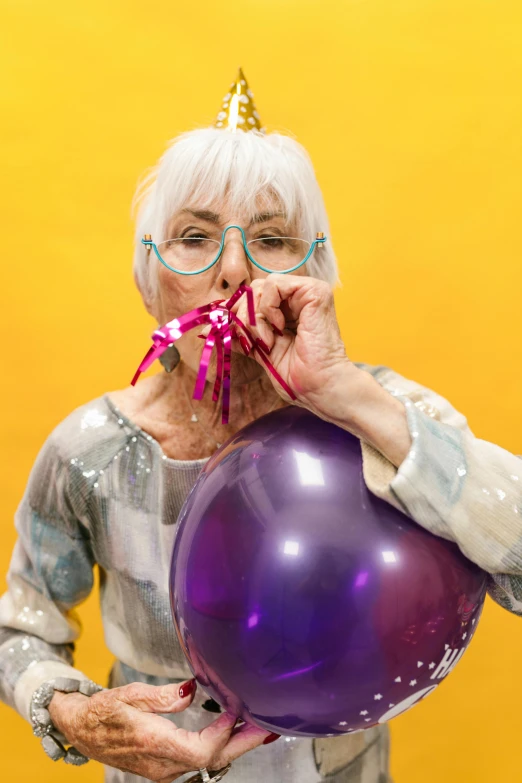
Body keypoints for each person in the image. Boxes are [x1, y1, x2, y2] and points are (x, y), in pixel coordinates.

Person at [1, 70, 521, 783]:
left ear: (317, 273)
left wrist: (348, 396)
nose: (235, 270)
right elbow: (19, 627)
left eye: (272, 239)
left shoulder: (386, 417)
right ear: (150, 275)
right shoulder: (87, 450)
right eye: (193, 237)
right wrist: (71, 713)